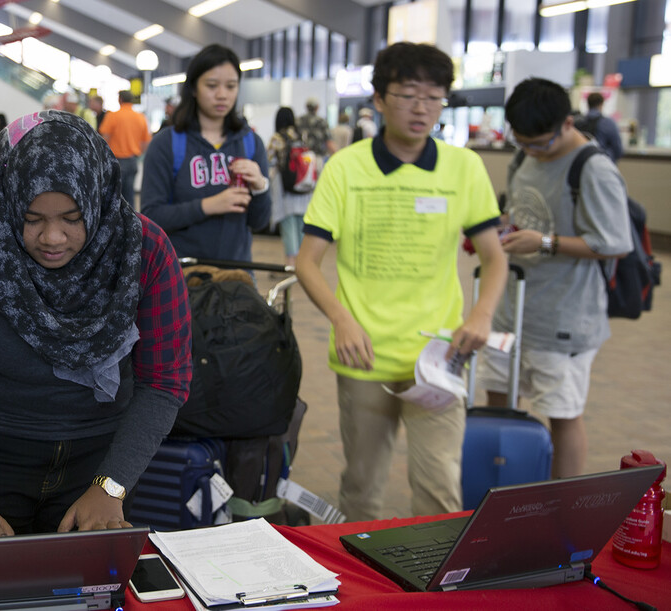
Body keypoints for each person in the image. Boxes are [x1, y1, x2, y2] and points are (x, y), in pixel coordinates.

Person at [0, 110, 192, 539]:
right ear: (9, 202)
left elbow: (165, 382)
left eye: (72, 217)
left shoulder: (143, 250)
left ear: (97, 197)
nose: (52, 238)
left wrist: (112, 485)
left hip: (102, 461)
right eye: (32, 218)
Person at [293, 42, 508, 522]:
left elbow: (494, 259)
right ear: (379, 98)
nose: (421, 108)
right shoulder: (347, 167)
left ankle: (436, 596)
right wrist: (341, 319)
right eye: (409, 94)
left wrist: (481, 314)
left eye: (434, 97)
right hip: (363, 354)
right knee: (362, 491)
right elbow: (307, 261)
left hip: (440, 356)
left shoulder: (464, 168)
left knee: (440, 491)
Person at [483, 77, 632, 479]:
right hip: (511, 310)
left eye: (541, 144)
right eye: (523, 143)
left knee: (562, 413)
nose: (532, 152)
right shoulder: (524, 156)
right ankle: (500, 494)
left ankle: (560, 510)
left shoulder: (593, 168)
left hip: (565, 316)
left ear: (567, 123)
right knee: (497, 403)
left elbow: (615, 242)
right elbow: (519, 211)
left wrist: (544, 242)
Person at [140, 44, 271, 263]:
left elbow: (259, 222)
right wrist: (208, 206)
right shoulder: (167, 143)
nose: (222, 95)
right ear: (193, 88)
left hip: (236, 275)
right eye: (212, 85)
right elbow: (151, 217)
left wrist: (261, 187)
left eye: (231, 86)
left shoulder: (250, 143)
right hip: (180, 275)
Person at [267, 107, 311, 270]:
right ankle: (301, 264)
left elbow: (268, 160)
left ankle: (291, 264)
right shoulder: (302, 135)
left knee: (288, 224)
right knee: (301, 225)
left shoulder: (278, 138)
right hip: (303, 185)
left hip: (284, 187)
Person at [99, 90, 151, 206]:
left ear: (120, 99)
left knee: (113, 196)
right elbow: (146, 143)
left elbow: (104, 138)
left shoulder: (113, 116)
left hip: (116, 161)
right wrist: (137, 154)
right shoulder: (141, 118)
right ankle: (130, 221)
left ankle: (114, 223)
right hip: (133, 160)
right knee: (129, 196)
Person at [581, 91, 624, 163]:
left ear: (588, 104)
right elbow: (618, 150)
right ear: (601, 104)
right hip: (603, 162)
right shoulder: (608, 123)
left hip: (582, 163)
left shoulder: (579, 122)